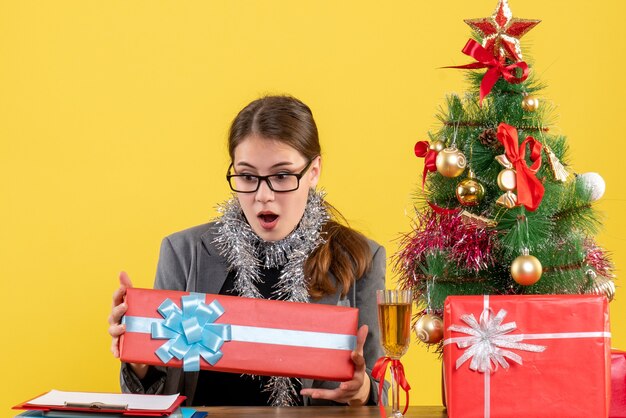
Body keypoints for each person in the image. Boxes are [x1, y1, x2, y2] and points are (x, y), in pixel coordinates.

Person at [108, 95, 388, 407]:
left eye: (282, 176)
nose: (263, 196)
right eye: (247, 176)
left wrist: (362, 390)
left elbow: (382, 395)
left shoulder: (360, 258)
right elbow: (151, 401)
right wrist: (138, 359)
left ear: (313, 171)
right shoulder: (184, 253)